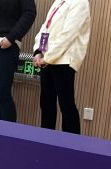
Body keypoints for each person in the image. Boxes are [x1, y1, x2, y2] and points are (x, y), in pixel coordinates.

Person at [31, 0, 90, 134]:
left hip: (64, 60)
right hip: (47, 59)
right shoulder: (58, 2)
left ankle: (71, 143)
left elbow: (68, 35)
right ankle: (46, 139)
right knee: (46, 103)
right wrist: (38, 51)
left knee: (66, 104)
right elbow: (45, 28)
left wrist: (48, 57)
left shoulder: (80, 3)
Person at [0, 0, 37, 122]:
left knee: (2, 93)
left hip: (6, 46)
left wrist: (11, 37)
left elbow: (29, 13)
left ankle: (8, 131)